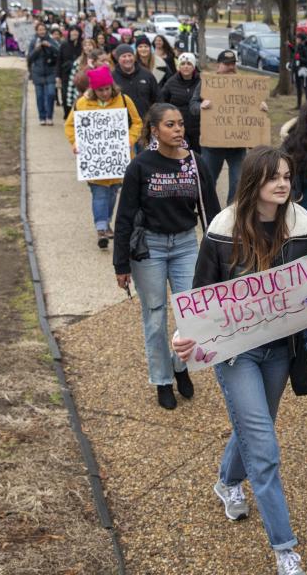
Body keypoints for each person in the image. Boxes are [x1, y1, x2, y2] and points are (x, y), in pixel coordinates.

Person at [173, 146, 307, 575]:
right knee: (263, 448)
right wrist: (184, 338)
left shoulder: (306, 227)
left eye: (286, 175)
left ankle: (226, 481)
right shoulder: (222, 230)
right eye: (272, 177)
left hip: (282, 349)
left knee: (254, 424)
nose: (282, 183)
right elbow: (200, 295)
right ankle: (285, 549)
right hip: (235, 353)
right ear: (253, 183)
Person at [113, 103, 220, 410]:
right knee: (156, 316)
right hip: (150, 248)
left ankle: (180, 365)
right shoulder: (141, 166)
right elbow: (124, 216)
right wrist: (121, 264)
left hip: (186, 244)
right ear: (154, 130)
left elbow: (211, 212)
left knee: (192, 313)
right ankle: (161, 379)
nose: (178, 130)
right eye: (170, 125)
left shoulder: (196, 164)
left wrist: (219, 253)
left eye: (181, 124)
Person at [64, 66, 143, 248]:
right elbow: (69, 126)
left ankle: (105, 222)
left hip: (117, 160)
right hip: (94, 161)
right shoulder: (82, 103)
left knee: (113, 193)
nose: (105, 93)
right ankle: (101, 227)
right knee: (99, 194)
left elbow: (137, 122)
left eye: (107, 88)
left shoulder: (123, 99)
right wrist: (75, 142)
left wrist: (130, 140)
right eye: (100, 90)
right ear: (93, 89)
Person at [190, 49, 268, 205]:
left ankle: (232, 212)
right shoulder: (207, 83)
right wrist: (201, 106)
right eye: (226, 64)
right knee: (209, 180)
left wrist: (261, 107)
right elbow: (192, 106)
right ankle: (209, 212)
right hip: (212, 145)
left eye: (232, 64)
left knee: (238, 181)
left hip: (237, 145)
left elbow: (253, 106)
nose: (230, 67)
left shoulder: (245, 84)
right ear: (218, 65)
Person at [160, 52, 201, 153]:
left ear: (194, 66)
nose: (186, 67)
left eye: (189, 64)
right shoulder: (171, 82)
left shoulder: (202, 81)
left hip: (199, 127)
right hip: (179, 127)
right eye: (183, 64)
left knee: (198, 157)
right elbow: (162, 101)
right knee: (183, 155)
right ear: (178, 66)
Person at [112, 42, 160, 123]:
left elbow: (157, 98)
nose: (127, 59)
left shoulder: (147, 75)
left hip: (145, 122)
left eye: (130, 55)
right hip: (122, 123)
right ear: (118, 59)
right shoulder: (112, 77)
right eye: (124, 56)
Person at [27, 22, 61, 125]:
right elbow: (30, 58)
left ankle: (49, 116)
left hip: (50, 71)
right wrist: (37, 49)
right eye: (39, 30)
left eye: (43, 29)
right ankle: (42, 117)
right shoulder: (33, 41)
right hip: (38, 72)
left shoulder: (51, 40)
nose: (42, 31)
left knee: (50, 94)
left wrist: (49, 46)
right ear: (37, 31)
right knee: (40, 96)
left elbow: (58, 53)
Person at [58, 26, 83, 118]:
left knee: (77, 95)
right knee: (65, 95)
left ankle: (75, 114)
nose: (74, 33)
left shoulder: (82, 45)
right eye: (73, 31)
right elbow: (59, 60)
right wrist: (58, 76)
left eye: (77, 31)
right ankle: (67, 114)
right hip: (66, 74)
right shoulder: (64, 44)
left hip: (78, 74)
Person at [66, 37, 97, 109]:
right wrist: (70, 100)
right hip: (81, 95)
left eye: (89, 45)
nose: (87, 47)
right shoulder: (78, 62)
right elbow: (72, 81)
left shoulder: (99, 61)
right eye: (85, 45)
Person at [288, 34, 307, 109]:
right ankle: (299, 105)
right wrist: (290, 46)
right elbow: (295, 54)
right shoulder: (298, 47)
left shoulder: (306, 49)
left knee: (305, 86)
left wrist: (300, 58)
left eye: (297, 38)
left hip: (304, 71)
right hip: (297, 70)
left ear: (301, 40)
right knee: (298, 87)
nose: (296, 40)